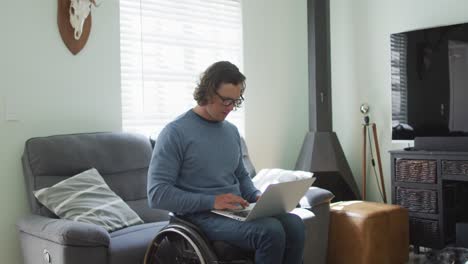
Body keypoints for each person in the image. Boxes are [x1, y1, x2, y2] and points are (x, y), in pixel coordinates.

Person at [147, 61, 305, 264]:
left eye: (236, 101)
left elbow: (240, 175)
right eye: (225, 101)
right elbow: (157, 194)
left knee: (295, 224)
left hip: (234, 212)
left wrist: (257, 196)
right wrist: (212, 201)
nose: (230, 108)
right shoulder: (174, 133)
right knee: (270, 232)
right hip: (199, 216)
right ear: (208, 92)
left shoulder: (231, 131)